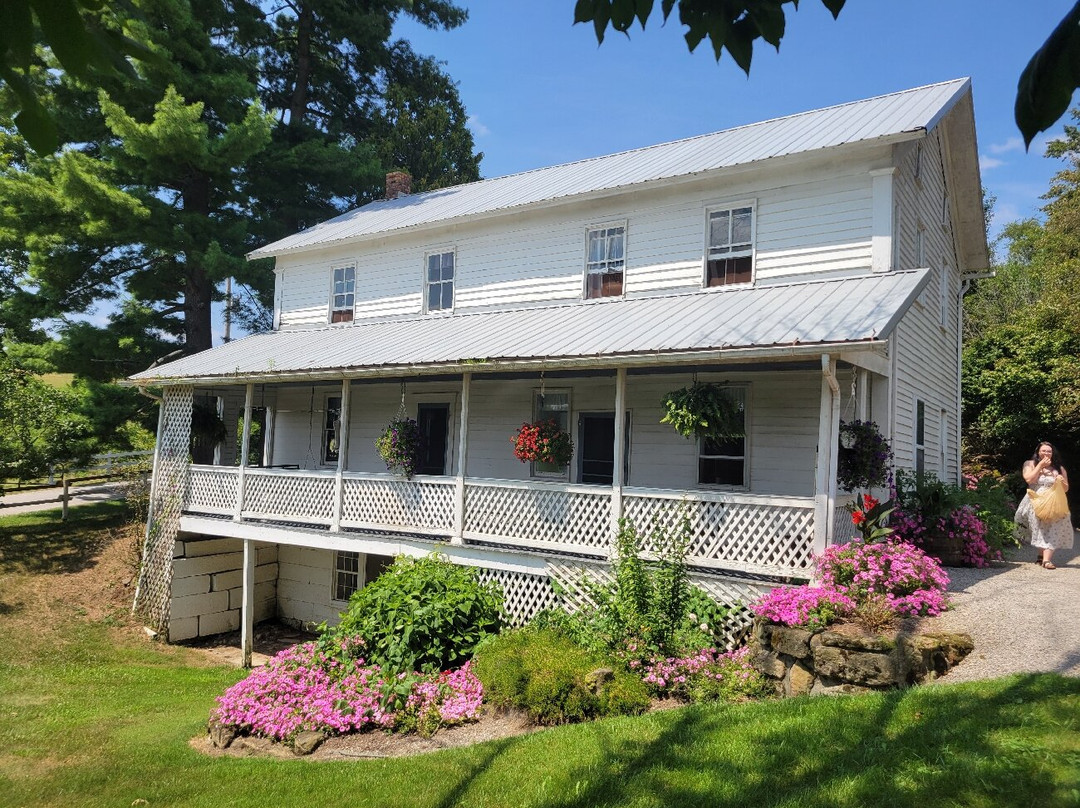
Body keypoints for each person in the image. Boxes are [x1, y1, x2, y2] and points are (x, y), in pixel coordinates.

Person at [1014, 441, 1073, 569]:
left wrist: (1060, 481)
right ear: (1038, 452)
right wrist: (1040, 465)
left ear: (1053, 453)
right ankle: (1041, 556)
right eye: (1044, 451)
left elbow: (1066, 488)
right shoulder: (1029, 464)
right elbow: (1029, 479)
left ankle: (1046, 560)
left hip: (1055, 502)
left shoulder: (1059, 468)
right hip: (1035, 501)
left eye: (1049, 451)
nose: (1046, 453)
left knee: (1054, 527)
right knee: (1039, 529)